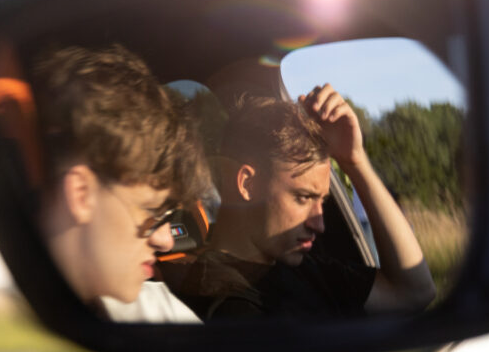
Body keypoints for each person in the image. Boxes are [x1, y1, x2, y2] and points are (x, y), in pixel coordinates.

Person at [176, 85, 435, 320]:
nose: (319, 224)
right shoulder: (227, 305)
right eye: (303, 197)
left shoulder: (305, 267)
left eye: (323, 200)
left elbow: (416, 292)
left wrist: (354, 160)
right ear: (247, 184)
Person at [32, 44, 209, 322]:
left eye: (168, 216)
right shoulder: (157, 322)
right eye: (152, 211)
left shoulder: (165, 318)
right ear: (80, 194)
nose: (165, 241)